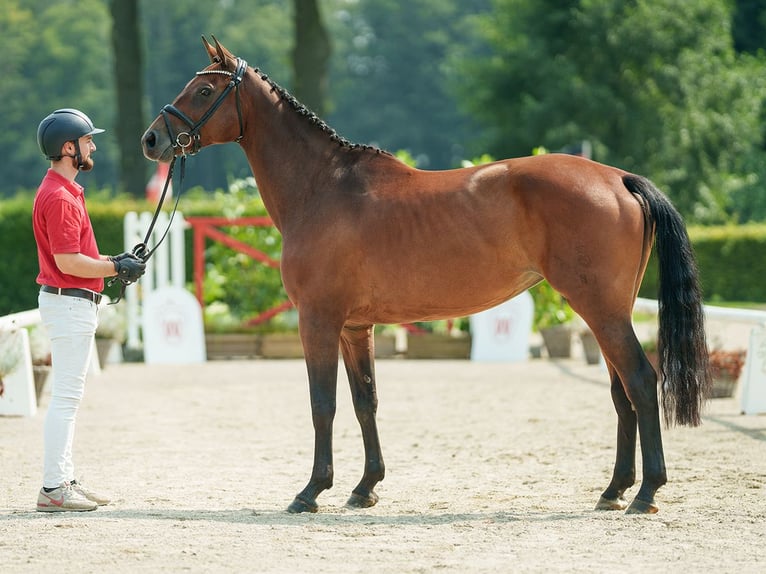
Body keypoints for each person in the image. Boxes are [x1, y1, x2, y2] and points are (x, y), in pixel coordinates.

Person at [33, 108, 146, 512]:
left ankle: (62, 478)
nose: (93, 145)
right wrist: (116, 267)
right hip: (70, 304)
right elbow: (68, 262)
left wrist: (113, 261)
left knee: (69, 398)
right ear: (69, 148)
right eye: (87, 141)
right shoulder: (61, 197)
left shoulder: (63, 191)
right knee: (65, 398)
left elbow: (79, 256)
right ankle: (53, 488)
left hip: (72, 303)